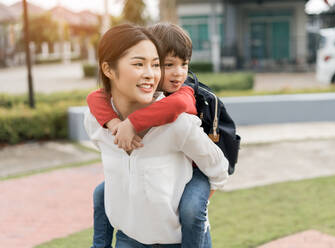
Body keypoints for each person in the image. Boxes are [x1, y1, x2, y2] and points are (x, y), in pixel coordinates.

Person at [84, 23, 229, 248]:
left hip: (177, 242)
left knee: (192, 207)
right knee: (101, 192)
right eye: (139, 64)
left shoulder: (180, 120)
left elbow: (218, 168)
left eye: (155, 64)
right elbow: (95, 97)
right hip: (127, 239)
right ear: (108, 69)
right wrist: (114, 123)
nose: (151, 74)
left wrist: (198, 202)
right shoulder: (95, 120)